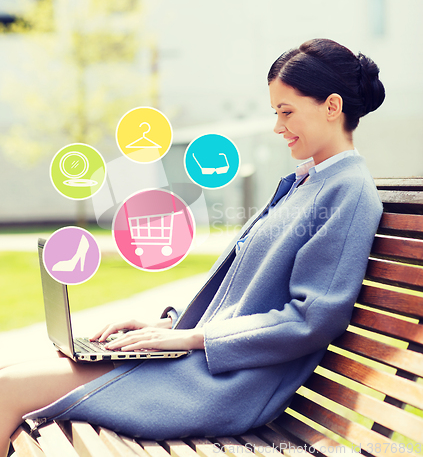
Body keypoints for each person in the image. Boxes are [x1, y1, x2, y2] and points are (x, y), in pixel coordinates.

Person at [0, 38, 385, 456]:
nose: (277, 127)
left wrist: (191, 339)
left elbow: (311, 319)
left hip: (221, 383)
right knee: (9, 376)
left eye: (286, 112)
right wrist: (168, 328)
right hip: (202, 364)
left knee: (7, 389)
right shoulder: (307, 183)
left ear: (332, 107)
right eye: (276, 112)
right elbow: (245, 299)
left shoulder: (349, 193)